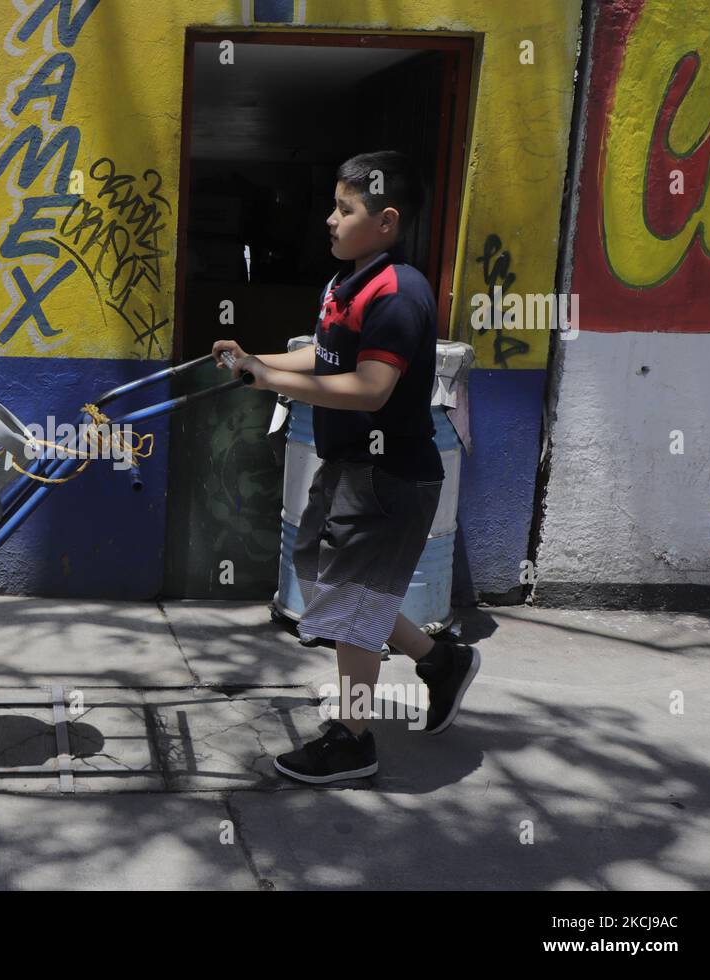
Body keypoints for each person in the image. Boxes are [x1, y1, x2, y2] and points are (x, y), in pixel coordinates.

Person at [213, 150, 480, 784]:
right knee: (328, 585)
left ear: (386, 221)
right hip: (346, 467)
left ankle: (353, 740)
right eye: (334, 206)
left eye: (344, 209)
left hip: (389, 482)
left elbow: (368, 388)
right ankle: (439, 661)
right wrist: (259, 359)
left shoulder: (398, 294)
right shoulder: (347, 283)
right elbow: (325, 358)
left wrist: (268, 379)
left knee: (354, 610)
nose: (330, 221)